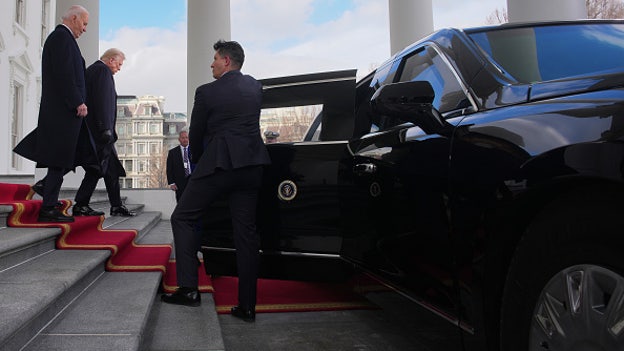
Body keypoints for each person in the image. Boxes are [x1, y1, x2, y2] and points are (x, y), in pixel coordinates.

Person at [161, 40, 271, 322]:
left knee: (182, 218)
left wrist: (199, 163)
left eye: (214, 59)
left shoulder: (207, 92)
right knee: (245, 234)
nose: (211, 64)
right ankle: (247, 307)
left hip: (219, 164)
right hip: (252, 166)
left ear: (226, 61)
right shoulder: (255, 87)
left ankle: (189, 290)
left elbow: (195, 135)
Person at [13, 5, 96, 223]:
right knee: (59, 160)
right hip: (63, 112)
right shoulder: (61, 38)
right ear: (74, 18)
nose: (85, 29)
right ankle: (48, 207)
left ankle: (47, 196)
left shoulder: (63, 39)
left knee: (65, 159)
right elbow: (64, 74)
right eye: (85, 23)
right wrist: (78, 101)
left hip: (63, 112)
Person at [72, 48, 136, 217]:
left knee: (111, 170)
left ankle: (116, 205)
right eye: (119, 64)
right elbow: (102, 102)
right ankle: (80, 203)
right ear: (111, 60)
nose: (119, 68)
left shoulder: (96, 70)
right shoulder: (101, 71)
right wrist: (104, 128)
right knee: (96, 168)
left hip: (100, 131)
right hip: (100, 132)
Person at [166, 130, 192, 202]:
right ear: (179, 139)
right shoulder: (173, 152)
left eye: (186, 137)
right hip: (179, 183)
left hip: (192, 181)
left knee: (193, 202)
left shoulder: (194, 150)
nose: (185, 140)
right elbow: (169, 169)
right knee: (181, 202)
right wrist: (172, 183)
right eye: (183, 138)